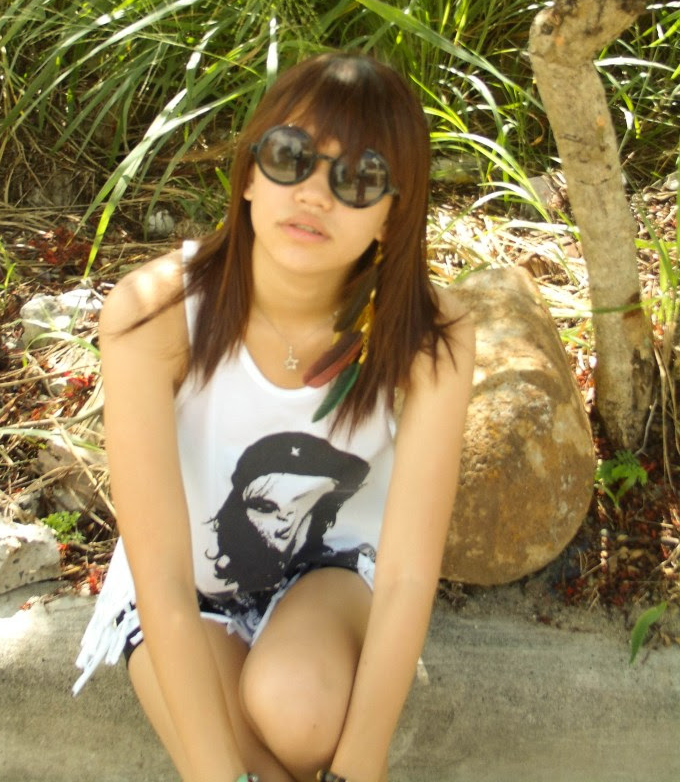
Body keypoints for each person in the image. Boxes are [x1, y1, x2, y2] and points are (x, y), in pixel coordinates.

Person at [73, 52, 475, 782]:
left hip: (331, 577)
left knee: (301, 712)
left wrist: (359, 768)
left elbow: (409, 573)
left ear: (394, 215)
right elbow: (161, 580)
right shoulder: (155, 313)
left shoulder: (427, 333)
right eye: (291, 158)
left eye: (359, 178)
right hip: (187, 589)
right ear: (251, 176)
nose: (315, 194)